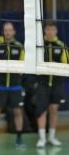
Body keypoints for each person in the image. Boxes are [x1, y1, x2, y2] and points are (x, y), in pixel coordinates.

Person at [0, 21, 25, 149]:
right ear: (3, 32)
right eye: (6, 30)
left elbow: (23, 66)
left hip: (15, 86)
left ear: (14, 32)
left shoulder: (19, 46)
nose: (8, 32)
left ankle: (19, 138)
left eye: (10, 30)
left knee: (17, 112)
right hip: (0, 85)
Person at [35, 20, 67, 148]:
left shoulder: (61, 45)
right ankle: (42, 138)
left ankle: (52, 137)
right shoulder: (39, 45)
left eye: (53, 29)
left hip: (56, 83)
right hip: (42, 83)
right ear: (44, 30)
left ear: (56, 31)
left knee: (54, 110)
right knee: (41, 110)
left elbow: (66, 64)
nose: (50, 32)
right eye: (48, 29)